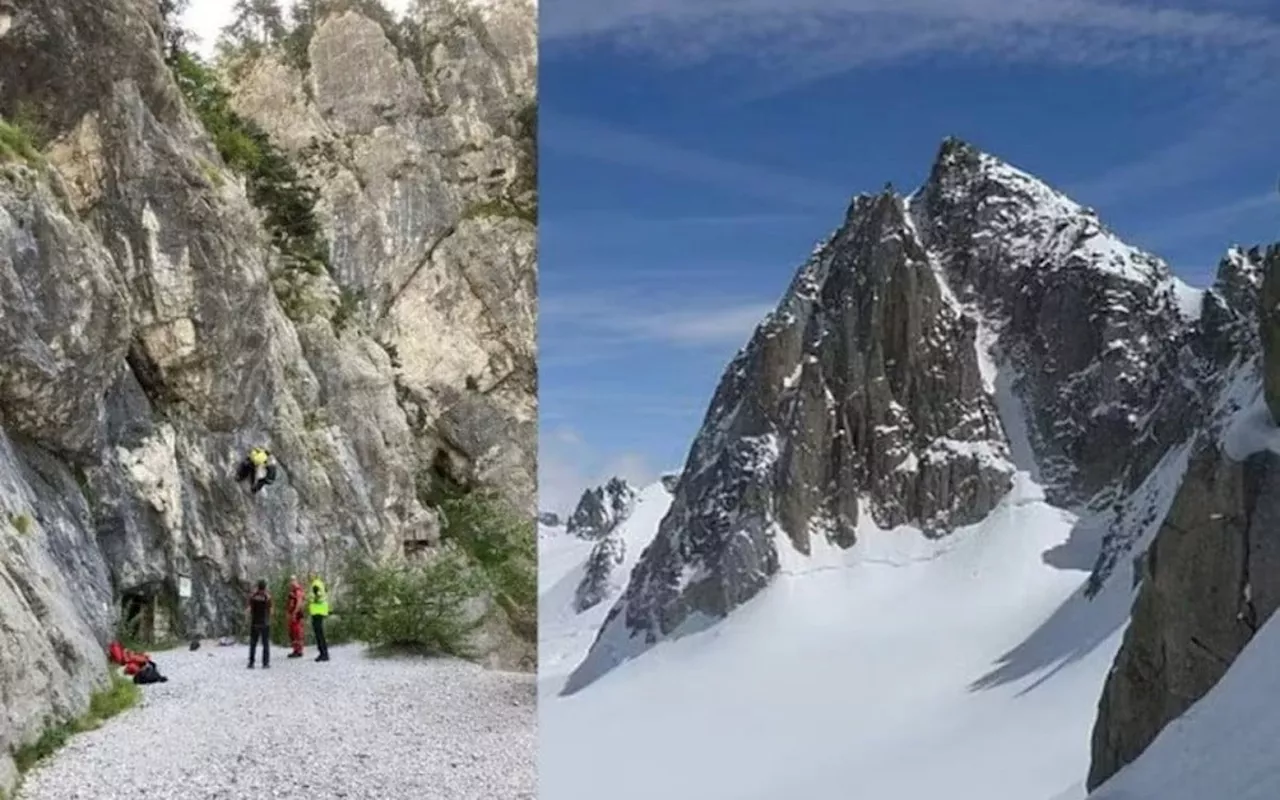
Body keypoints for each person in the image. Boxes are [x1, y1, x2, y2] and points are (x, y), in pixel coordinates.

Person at [246, 579, 272, 669]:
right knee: (265, 644)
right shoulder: (267, 597)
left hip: (255, 622)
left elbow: (249, 609)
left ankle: (251, 663)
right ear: (265, 587)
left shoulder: (253, 596)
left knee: (253, 643)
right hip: (265, 623)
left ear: (258, 586)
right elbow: (271, 610)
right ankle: (265, 663)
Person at [308, 571, 330, 662]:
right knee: (320, 633)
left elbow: (318, 596)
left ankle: (323, 654)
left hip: (317, 611)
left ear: (315, 576)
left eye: (310, 575)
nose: (309, 577)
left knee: (319, 634)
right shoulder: (320, 583)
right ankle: (323, 653)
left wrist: (312, 600)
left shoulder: (315, 585)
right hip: (321, 610)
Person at [286, 574, 306, 658]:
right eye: (291, 580)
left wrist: (294, 612)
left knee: (297, 632)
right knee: (292, 633)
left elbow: (299, 602)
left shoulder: (298, 590)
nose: (291, 582)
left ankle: (299, 650)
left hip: (296, 614)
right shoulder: (292, 590)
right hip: (292, 613)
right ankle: (295, 649)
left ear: (296, 581)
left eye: (293, 580)